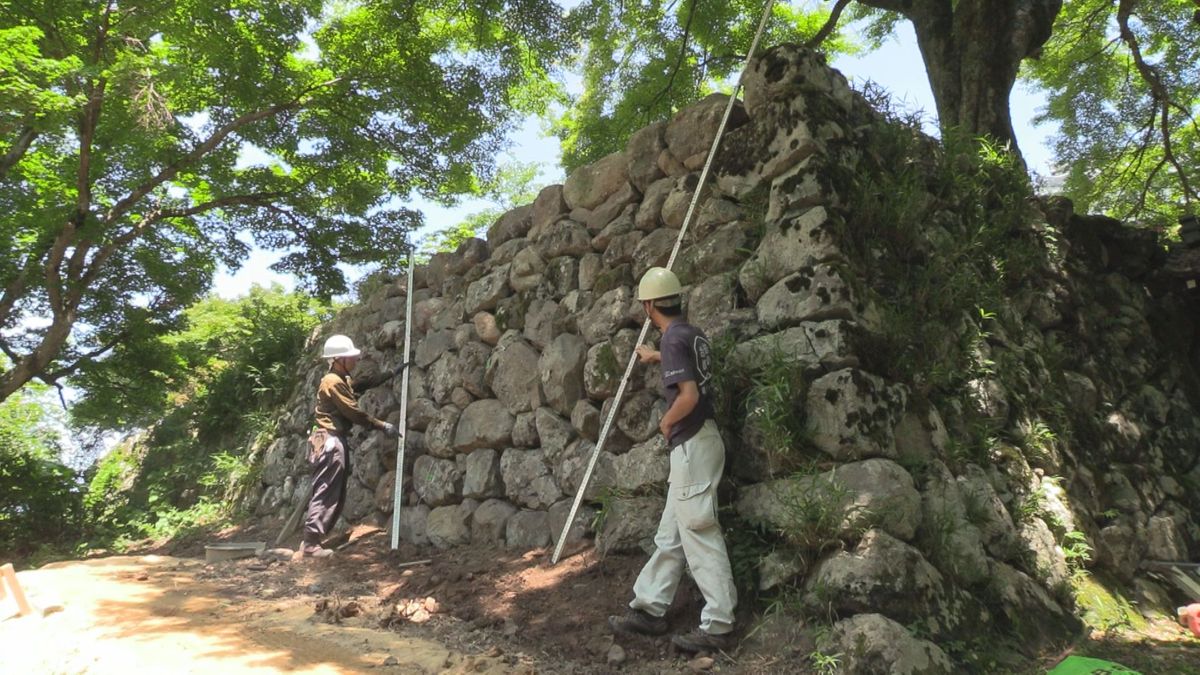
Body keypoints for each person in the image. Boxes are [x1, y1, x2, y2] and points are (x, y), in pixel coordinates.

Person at [608, 267, 738, 653]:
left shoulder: (673, 341)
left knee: (698, 529)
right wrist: (653, 356)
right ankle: (650, 609)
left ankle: (719, 624)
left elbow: (689, 396)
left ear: (649, 306)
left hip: (693, 444)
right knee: (672, 533)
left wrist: (666, 422)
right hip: (701, 444)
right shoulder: (688, 333)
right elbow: (683, 361)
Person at [301, 334, 408, 558]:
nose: (355, 360)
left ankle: (313, 540)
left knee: (333, 490)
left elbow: (359, 385)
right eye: (351, 357)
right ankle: (311, 543)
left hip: (331, 439)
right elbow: (353, 412)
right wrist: (382, 425)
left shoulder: (341, 379)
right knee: (327, 490)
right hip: (329, 440)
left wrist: (391, 373)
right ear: (339, 359)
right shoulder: (332, 382)